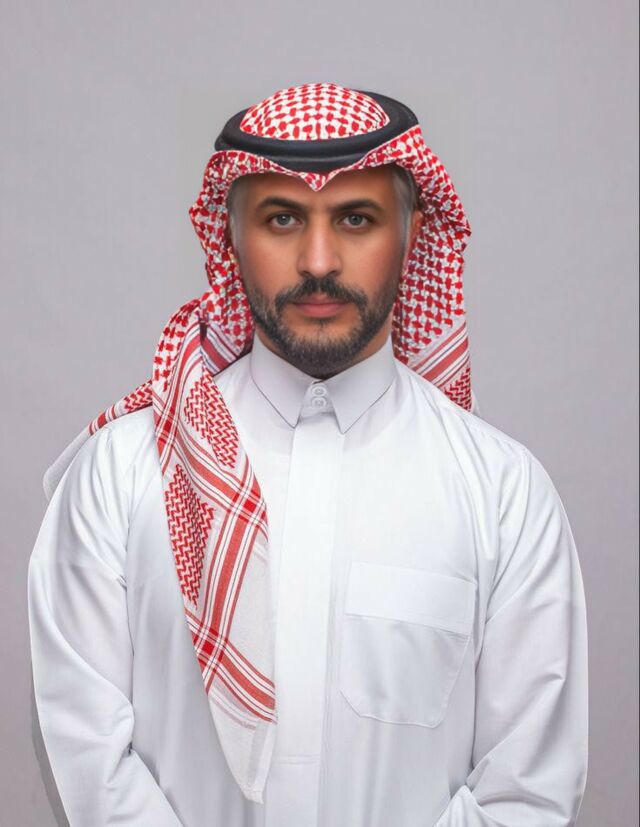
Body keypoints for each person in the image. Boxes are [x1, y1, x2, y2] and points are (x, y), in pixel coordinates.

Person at [28, 83, 588, 827]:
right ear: (231, 236)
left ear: (412, 232)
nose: (318, 261)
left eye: (356, 219)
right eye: (282, 218)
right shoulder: (120, 474)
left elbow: (526, 791)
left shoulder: (504, 494)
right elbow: (86, 755)